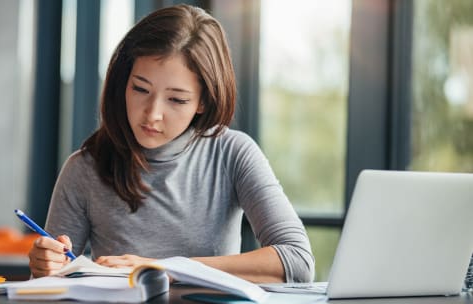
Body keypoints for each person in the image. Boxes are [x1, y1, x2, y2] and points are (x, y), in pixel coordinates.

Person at [28, 4, 314, 283]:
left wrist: (164, 268)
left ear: (203, 101)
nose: (152, 114)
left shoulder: (232, 153)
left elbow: (297, 261)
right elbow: (48, 287)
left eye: (176, 99)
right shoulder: (85, 168)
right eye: (140, 88)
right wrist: (45, 269)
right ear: (123, 82)